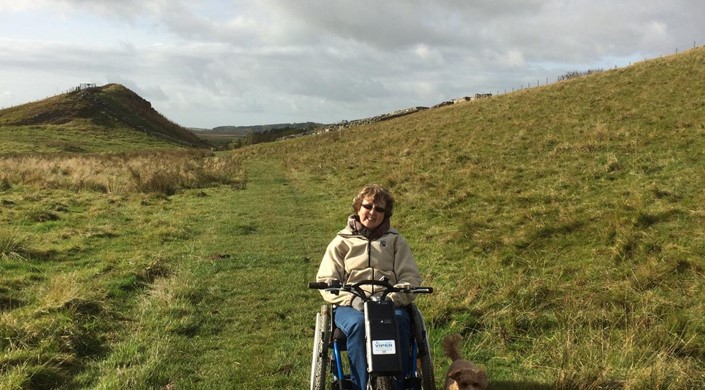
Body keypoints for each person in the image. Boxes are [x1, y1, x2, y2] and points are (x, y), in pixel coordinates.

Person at [316, 184, 422, 390]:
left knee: (399, 324)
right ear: (358, 207)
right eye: (368, 206)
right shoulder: (341, 242)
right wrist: (351, 299)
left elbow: (410, 275)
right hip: (351, 303)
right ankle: (359, 385)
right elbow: (327, 279)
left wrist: (395, 297)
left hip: (389, 301)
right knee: (358, 325)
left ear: (386, 214)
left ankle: (397, 385)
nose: (373, 212)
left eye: (380, 209)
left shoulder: (396, 241)